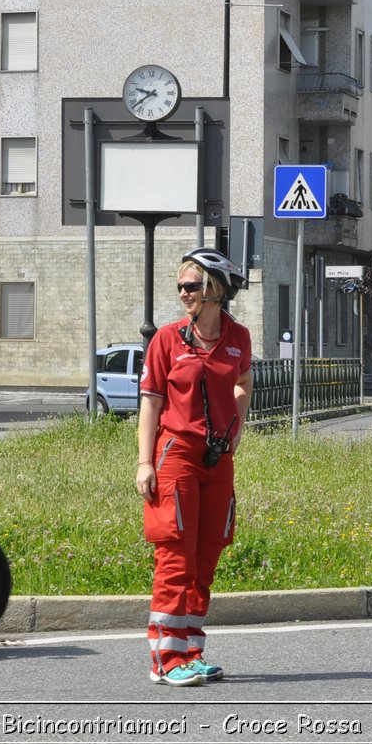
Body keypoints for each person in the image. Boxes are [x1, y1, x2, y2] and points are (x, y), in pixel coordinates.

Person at [136, 248, 251, 688]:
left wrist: (236, 424)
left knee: (207, 553)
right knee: (176, 552)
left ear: (215, 290)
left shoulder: (238, 336)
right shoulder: (166, 340)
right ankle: (164, 657)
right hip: (177, 455)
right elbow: (150, 403)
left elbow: (242, 382)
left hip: (219, 459)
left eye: (191, 286)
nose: (183, 294)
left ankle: (190, 650)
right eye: (180, 286)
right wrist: (145, 462)